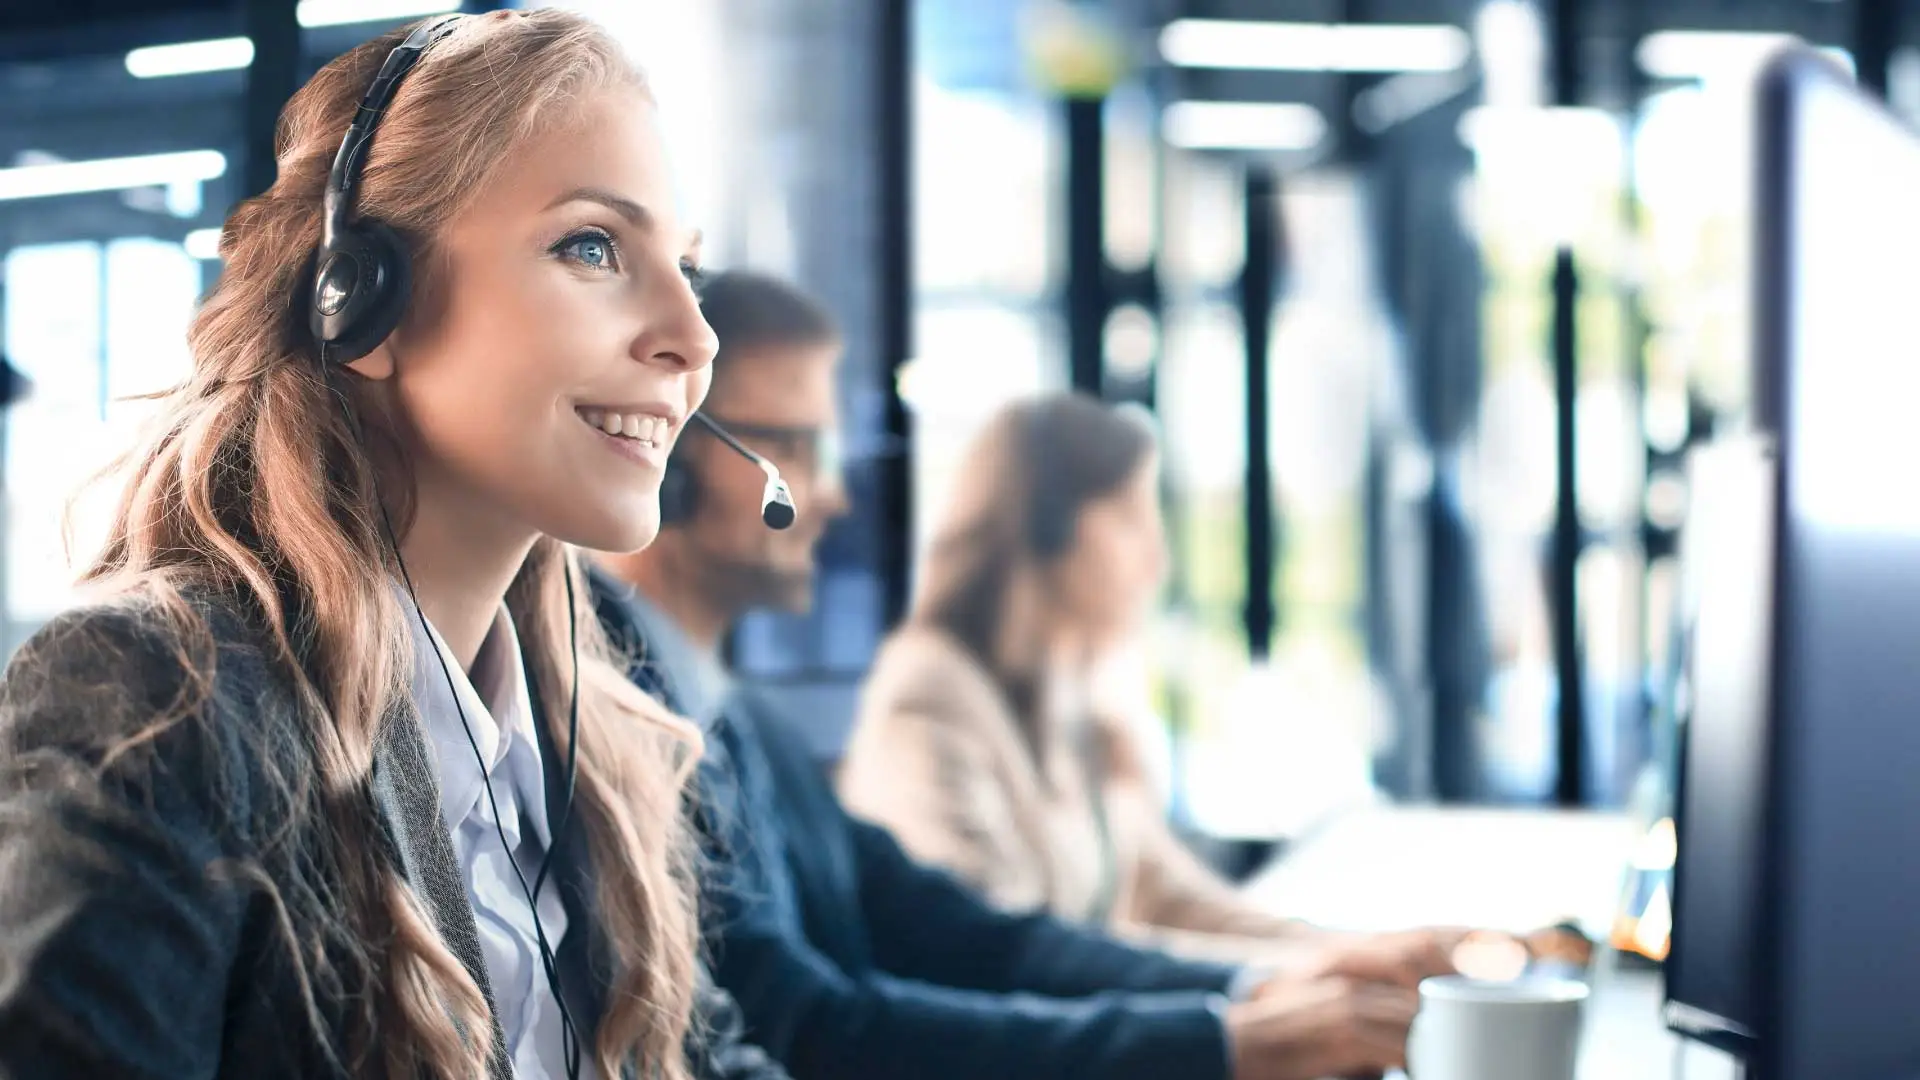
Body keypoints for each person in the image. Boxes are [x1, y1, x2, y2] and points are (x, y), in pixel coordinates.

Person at [0, 12, 783, 1080]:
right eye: (592, 245)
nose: (693, 339)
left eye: (684, 268)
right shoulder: (153, 702)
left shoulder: (592, 752)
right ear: (362, 300)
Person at [593, 270, 1446, 1080]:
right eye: (797, 446)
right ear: (672, 446)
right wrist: (1219, 1043)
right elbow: (811, 1028)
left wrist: (1263, 991)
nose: (830, 496)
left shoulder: (742, 717)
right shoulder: (623, 719)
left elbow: (967, 935)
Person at [838, 394, 1538, 973]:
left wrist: (1363, 952)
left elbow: (1169, 897)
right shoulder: (931, 696)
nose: (1156, 556)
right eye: (1129, 518)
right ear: (1043, 530)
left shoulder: (1071, 696)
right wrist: (1301, 977)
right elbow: (1000, 950)